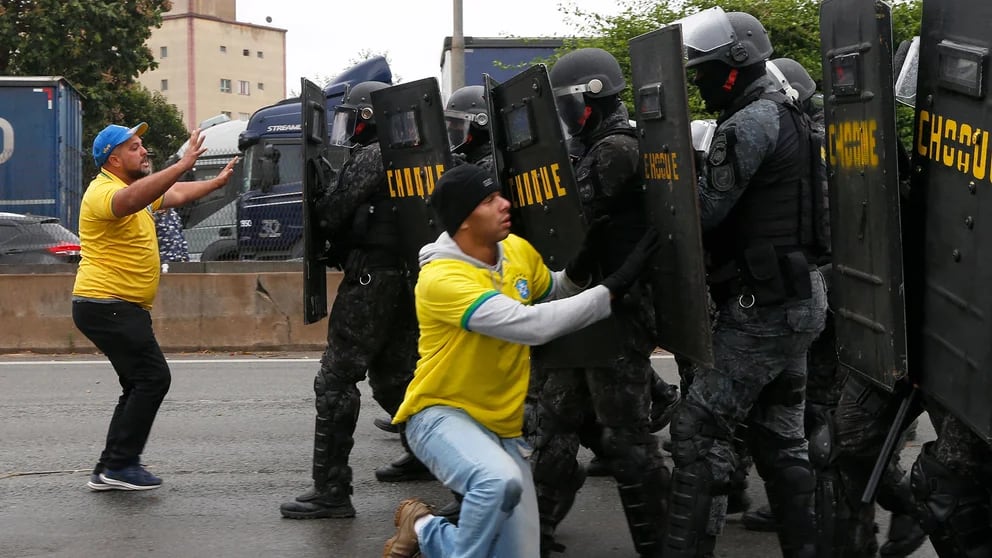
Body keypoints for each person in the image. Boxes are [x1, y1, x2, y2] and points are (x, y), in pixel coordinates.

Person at [382, 162, 659, 558]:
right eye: (489, 199)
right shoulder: (442, 280)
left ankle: (423, 527)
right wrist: (612, 289)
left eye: (500, 195)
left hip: (502, 427)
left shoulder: (515, 250)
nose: (504, 204)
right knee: (498, 482)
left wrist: (582, 264)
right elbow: (531, 325)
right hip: (440, 416)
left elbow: (551, 293)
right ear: (463, 221)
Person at [660, 9, 828, 557]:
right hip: (796, 297)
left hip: (763, 307)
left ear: (736, 65)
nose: (701, 81)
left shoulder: (749, 122)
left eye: (706, 70)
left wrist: (674, 174)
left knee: (696, 430)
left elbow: (705, 212)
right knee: (781, 437)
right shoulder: (789, 113)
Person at [524, 46, 675, 557]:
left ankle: (664, 544)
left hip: (616, 315)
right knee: (554, 420)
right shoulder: (594, 148)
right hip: (583, 307)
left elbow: (569, 209)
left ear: (592, 97)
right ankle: (533, 532)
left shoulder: (617, 148)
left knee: (628, 440)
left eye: (567, 104)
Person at [279, 81, 430, 520]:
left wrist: (322, 186)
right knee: (395, 379)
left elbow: (332, 214)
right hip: (407, 281)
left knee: (336, 380)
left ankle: (331, 490)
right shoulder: (410, 154)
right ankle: (433, 455)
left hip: (371, 283)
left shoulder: (373, 156)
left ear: (368, 117)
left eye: (352, 118)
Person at [74, 122, 236, 491]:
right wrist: (181, 164)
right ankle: (119, 465)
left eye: (143, 145)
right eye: (135, 147)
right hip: (107, 304)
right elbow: (129, 202)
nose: (144, 151)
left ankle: (111, 466)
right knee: (152, 378)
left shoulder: (134, 189)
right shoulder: (104, 191)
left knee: (137, 383)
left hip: (116, 306)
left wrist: (214, 183)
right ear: (113, 159)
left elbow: (175, 193)